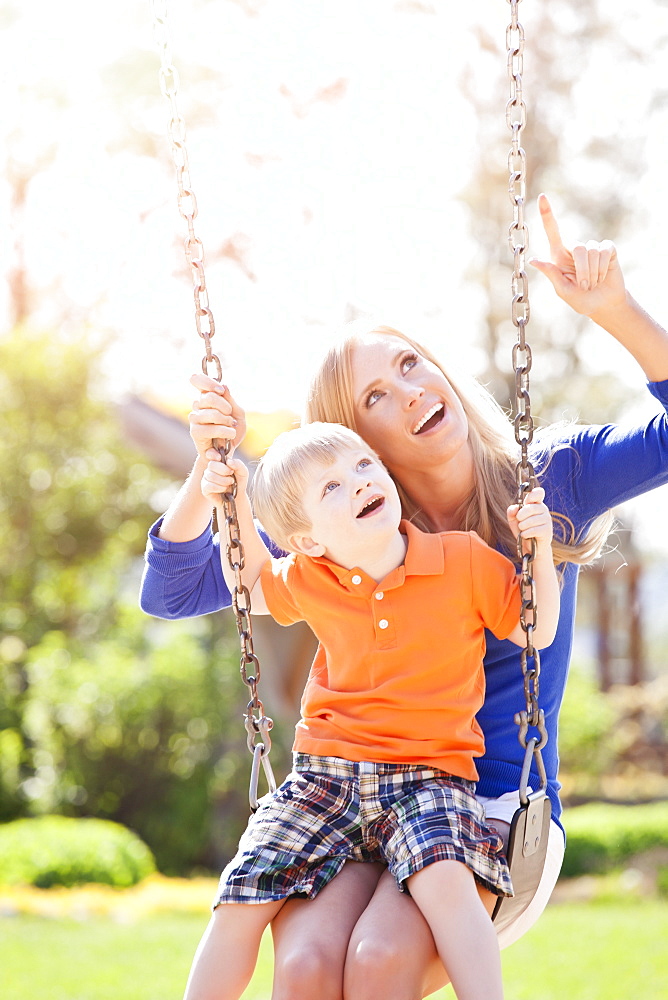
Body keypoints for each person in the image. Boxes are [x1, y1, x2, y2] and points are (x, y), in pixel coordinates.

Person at [140, 195, 668, 999]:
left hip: (493, 806)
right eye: (375, 400)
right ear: (355, 442)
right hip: (357, 803)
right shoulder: (350, 529)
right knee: (312, 965)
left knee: (378, 961)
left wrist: (616, 310)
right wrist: (206, 465)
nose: (409, 392)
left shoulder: (550, 477)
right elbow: (173, 588)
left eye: (409, 366)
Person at [180, 418, 559, 1000]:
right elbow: (250, 583)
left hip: (429, 776)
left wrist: (537, 551)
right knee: (240, 899)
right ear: (308, 540)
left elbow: (535, 628)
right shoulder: (312, 575)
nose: (357, 483)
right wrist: (231, 504)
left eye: (361, 465)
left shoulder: (463, 560)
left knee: (446, 886)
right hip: (323, 777)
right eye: (329, 487)